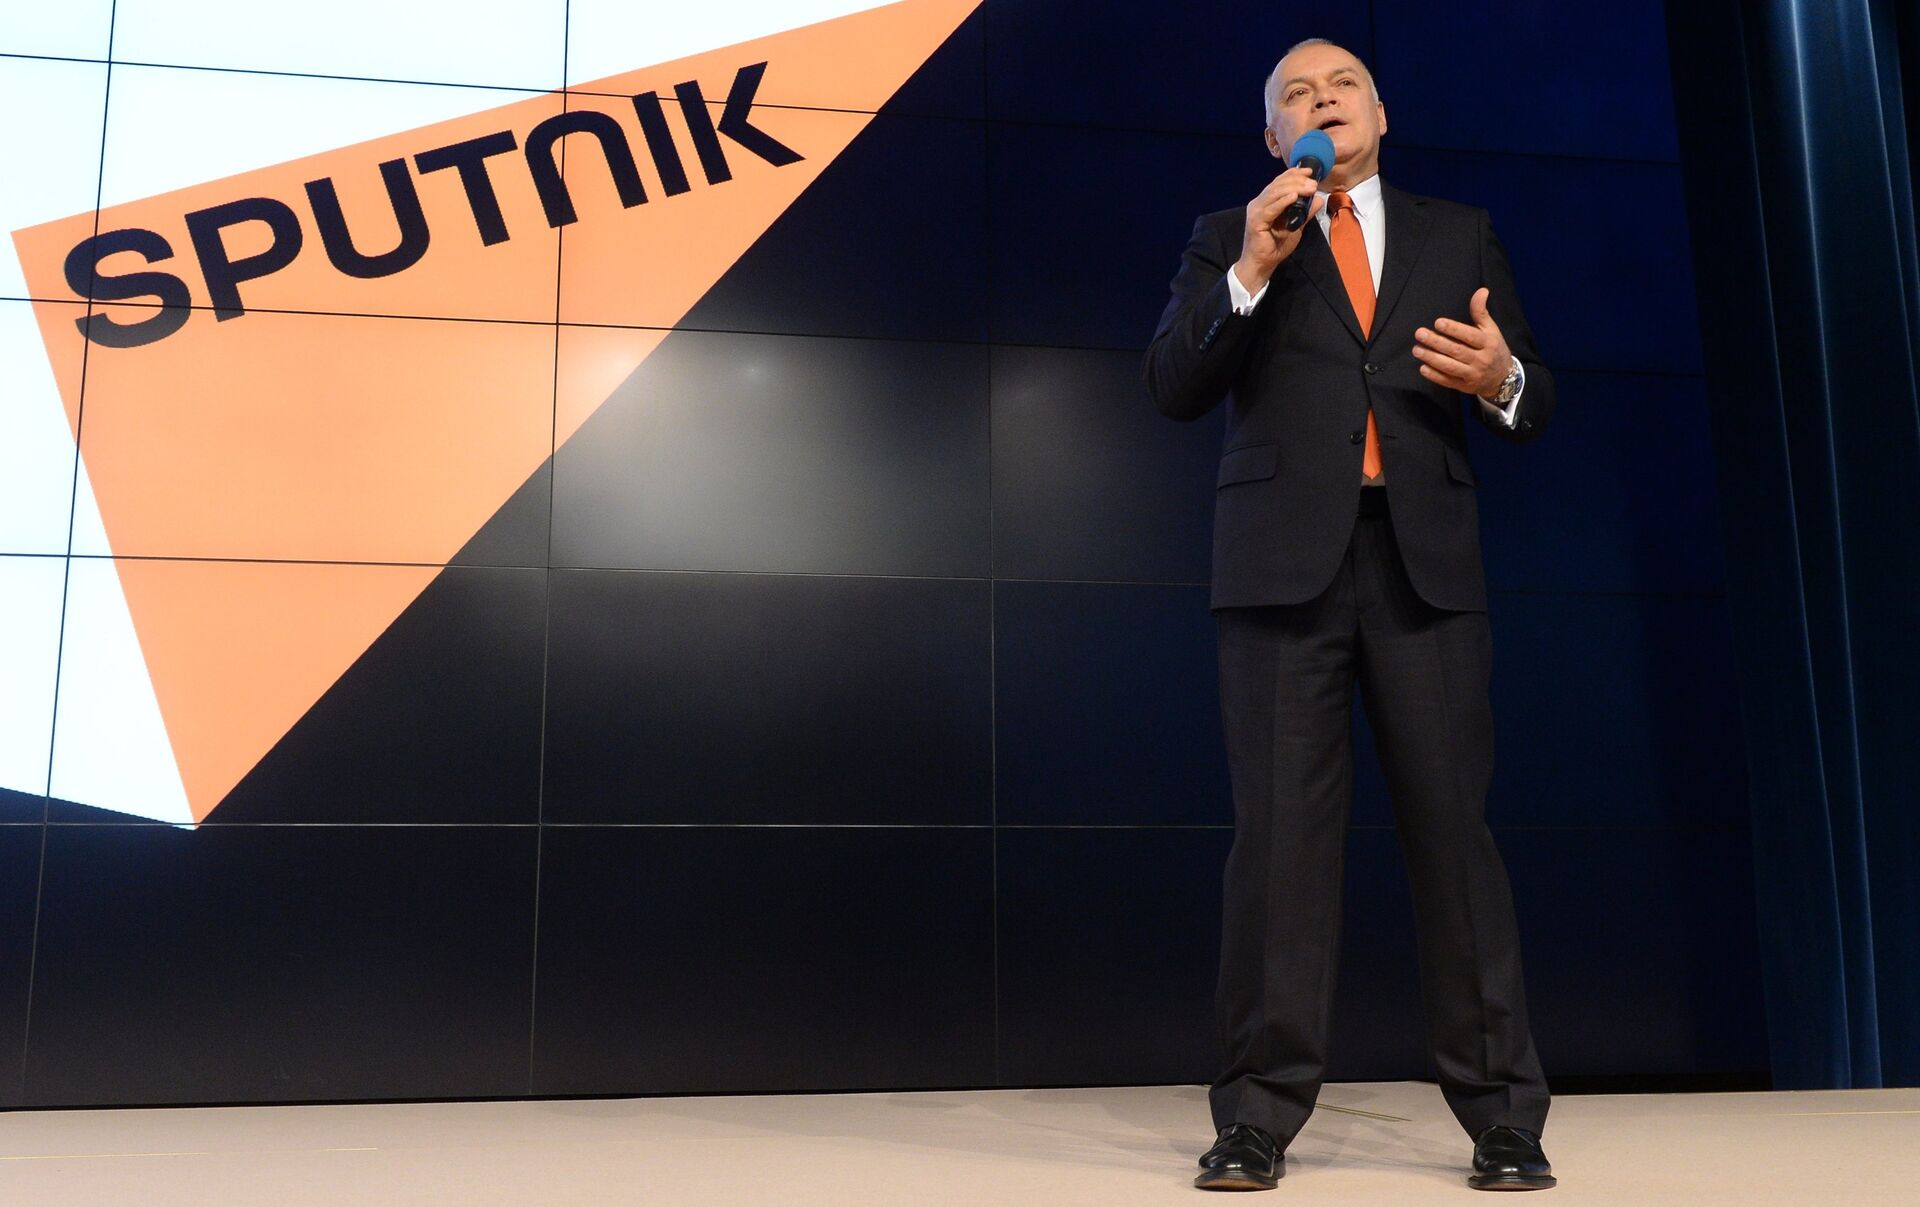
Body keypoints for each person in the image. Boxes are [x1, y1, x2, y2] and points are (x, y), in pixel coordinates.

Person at [1142, 37, 1559, 1193]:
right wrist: (1251, 268)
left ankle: (1504, 1118)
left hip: (1425, 568)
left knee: (1455, 843)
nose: (1322, 101)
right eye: (1297, 95)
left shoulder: (1457, 233)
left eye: (1342, 87)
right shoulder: (1235, 233)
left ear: (1381, 113)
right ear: (1275, 137)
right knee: (1278, 849)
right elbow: (1171, 384)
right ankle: (1256, 1117)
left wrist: (1499, 378)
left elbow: (1533, 397)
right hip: (1283, 572)